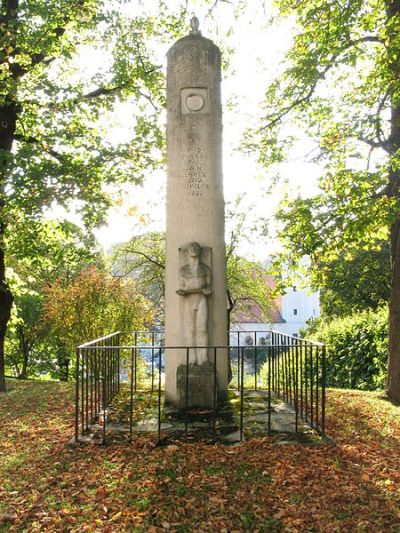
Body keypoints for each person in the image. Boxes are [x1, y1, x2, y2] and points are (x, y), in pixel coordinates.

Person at [176, 242, 212, 365]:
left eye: (196, 248)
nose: (194, 250)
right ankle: (191, 359)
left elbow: (208, 287)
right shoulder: (183, 270)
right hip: (189, 301)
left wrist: (206, 290)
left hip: (201, 300)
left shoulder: (206, 269)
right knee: (190, 330)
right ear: (188, 251)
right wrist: (183, 292)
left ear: (200, 251)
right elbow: (182, 287)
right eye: (191, 248)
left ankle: (204, 358)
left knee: (202, 329)